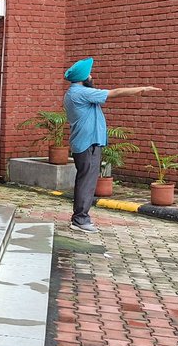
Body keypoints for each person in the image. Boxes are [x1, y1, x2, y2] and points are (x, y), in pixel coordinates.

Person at [63, 57, 160, 234]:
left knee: (84, 180)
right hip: (88, 143)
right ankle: (80, 219)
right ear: (83, 77)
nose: (92, 76)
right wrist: (142, 89)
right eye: (89, 74)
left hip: (84, 143)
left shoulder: (73, 93)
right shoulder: (82, 93)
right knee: (87, 182)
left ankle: (79, 217)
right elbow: (115, 93)